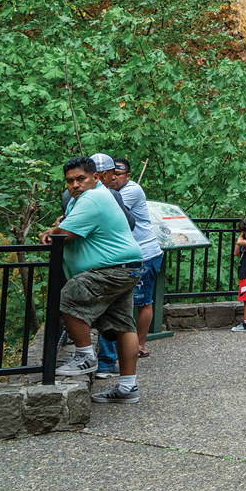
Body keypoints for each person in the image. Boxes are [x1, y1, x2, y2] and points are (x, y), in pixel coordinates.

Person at [44, 155, 147, 404]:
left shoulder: (93, 197)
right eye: (69, 181)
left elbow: (66, 233)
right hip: (125, 267)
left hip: (111, 269)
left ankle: (85, 357)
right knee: (123, 326)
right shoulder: (88, 198)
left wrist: (51, 231)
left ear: (95, 177)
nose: (75, 185)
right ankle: (127, 388)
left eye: (81, 178)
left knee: (66, 297)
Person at [92, 157, 163, 377]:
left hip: (144, 254)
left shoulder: (132, 191)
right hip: (129, 256)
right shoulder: (109, 191)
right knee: (123, 304)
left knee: (141, 302)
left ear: (128, 176)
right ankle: (122, 357)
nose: (114, 178)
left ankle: (139, 346)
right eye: (112, 173)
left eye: (119, 174)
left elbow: (106, 210)